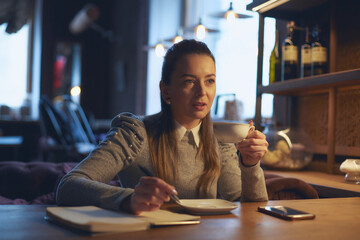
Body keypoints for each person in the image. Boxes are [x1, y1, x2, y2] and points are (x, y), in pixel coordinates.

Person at [56, 39, 269, 214]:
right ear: (166, 91)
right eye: (189, 81)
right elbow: (68, 186)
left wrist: (250, 165)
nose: (202, 92)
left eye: (209, 81)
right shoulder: (135, 133)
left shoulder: (220, 138)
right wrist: (128, 199)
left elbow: (249, 209)